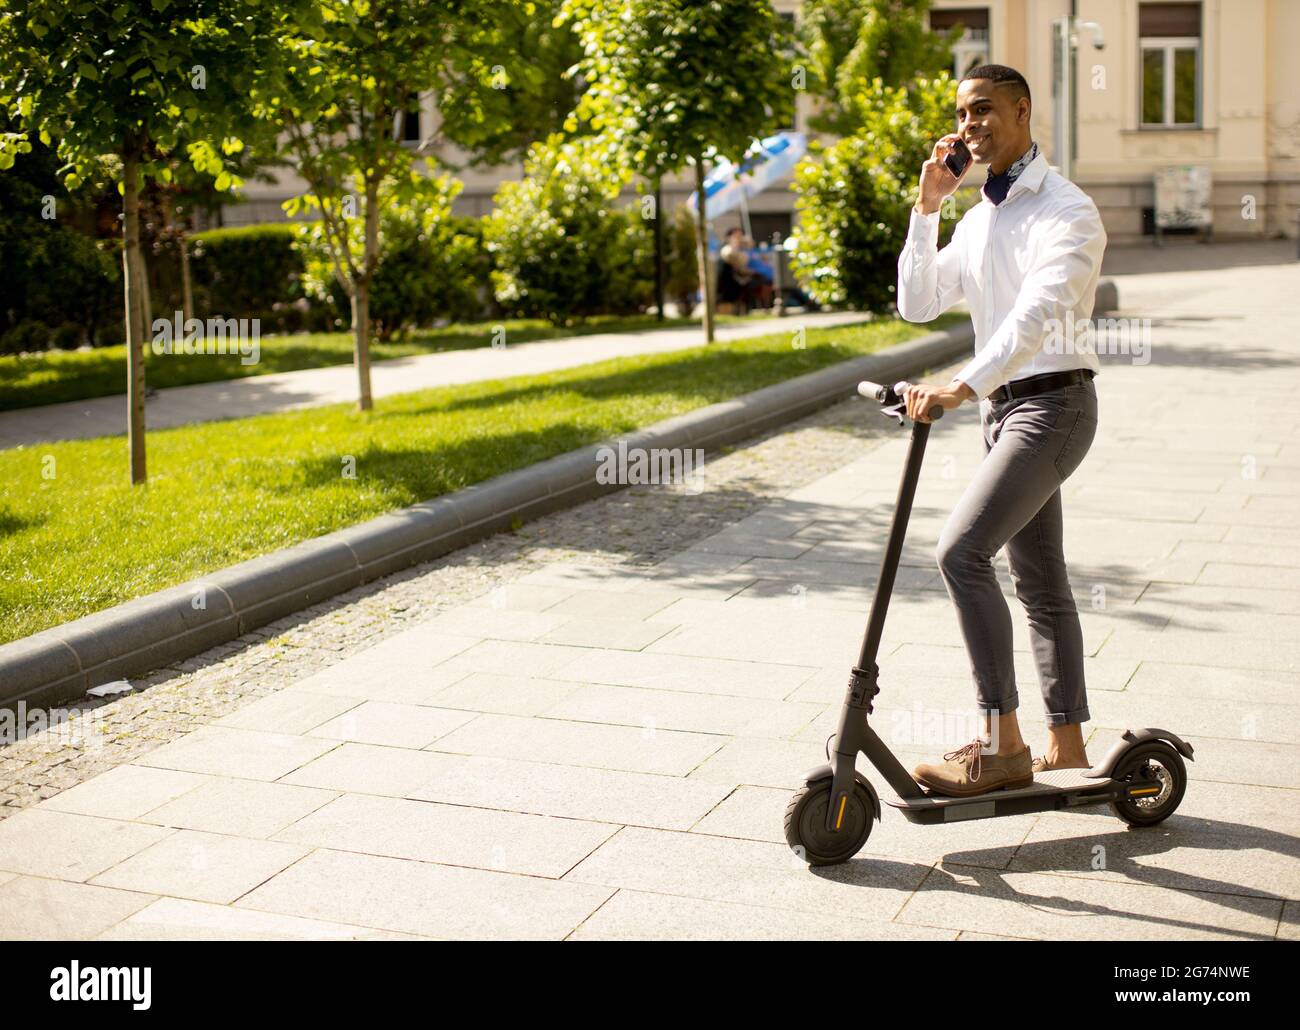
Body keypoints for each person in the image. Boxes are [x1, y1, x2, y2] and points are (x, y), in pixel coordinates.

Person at [894, 64, 1107, 798]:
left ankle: (1003, 745)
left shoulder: (1068, 211)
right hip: (1004, 412)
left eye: (983, 109)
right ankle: (1068, 747)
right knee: (1041, 581)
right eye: (961, 112)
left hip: (1054, 406)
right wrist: (927, 209)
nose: (969, 124)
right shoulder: (978, 216)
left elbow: (1038, 314)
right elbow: (918, 303)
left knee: (961, 554)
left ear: (1022, 109)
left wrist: (963, 381)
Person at [718, 228, 754, 313]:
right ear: (730, 237)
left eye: (741, 235)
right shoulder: (726, 248)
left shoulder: (742, 248)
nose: (740, 238)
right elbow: (737, 264)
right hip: (728, 279)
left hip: (735, 277)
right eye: (737, 236)